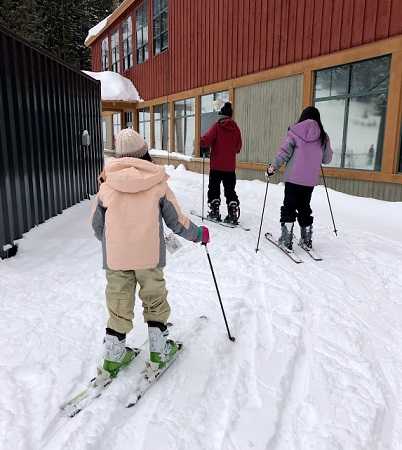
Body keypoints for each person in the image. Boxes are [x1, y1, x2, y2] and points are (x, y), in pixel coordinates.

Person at [92, 128, 210, 378]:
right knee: (154, 299)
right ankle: (159, 351)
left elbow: (97, 226)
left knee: (118, 303)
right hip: (149, 256)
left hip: (116, 258)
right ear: (144, 152)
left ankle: (114, 357)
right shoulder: (157, 182)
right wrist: (199, 234)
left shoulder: (107, 183)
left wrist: (114, 241)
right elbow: (177, 221)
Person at [266, 106, 333, 250]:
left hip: (293, 178)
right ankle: (306, 238)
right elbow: (327, 159)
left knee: (289, 206)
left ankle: (286, 239)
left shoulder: (295, 132)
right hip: (309, 181)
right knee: (304, 207)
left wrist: (272, 168)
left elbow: (284, 153)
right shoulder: (323, 137)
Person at [200, 102, 242, 224]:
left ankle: (214, 211)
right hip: (230, 167)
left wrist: (202, 144)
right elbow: (238, 147)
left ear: (222, 115)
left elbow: (206, 140)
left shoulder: (217, 127)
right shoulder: (236, 128)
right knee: (230, 190)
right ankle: (232, 213)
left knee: (214, 188)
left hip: (216, 166)